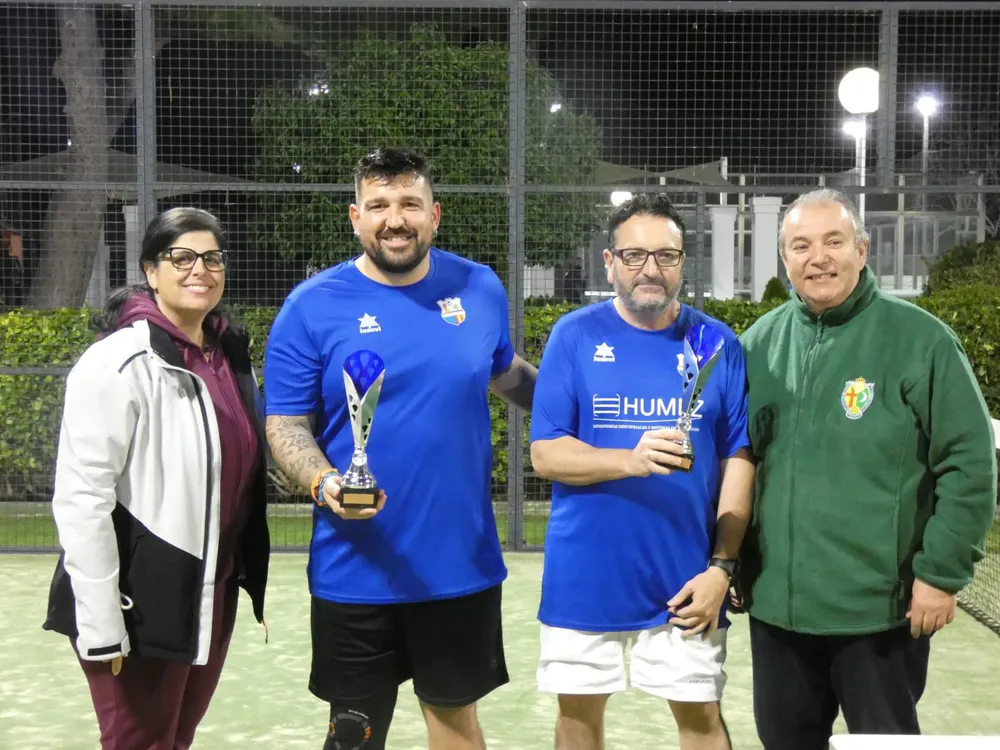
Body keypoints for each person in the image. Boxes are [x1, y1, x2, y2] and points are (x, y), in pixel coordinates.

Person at [263, 147, 536, 750]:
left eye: (410, 203)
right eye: (379, 205)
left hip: (458, 563)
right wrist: (323, 483)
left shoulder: (479, 286)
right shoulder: (311, 306)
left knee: (456, 726)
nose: (396, 219)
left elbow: (504, 372)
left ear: (434, 214)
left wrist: (578, 413)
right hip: (354, 567)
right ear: (355, 218)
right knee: (354, 735)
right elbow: (285, 424)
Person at [737, 188, 998, 750]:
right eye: (801, 246)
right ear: (785, 261)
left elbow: (970, 463)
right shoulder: (755, 345)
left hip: (882, 614)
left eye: (834, 241)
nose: (819, 257)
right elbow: (735, 465)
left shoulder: (921, 340)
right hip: (777, 616)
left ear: (863, 248)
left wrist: (940, 574)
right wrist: (731, 563)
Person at [529, 192, 756, 750]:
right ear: (610, 262)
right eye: (633, 255)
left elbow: (739, 461)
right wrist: (630, 461)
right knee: (578, 719)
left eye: (666, 256)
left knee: (701, 719)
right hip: (586, 573)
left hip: (686, 578)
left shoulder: (718, 343)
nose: (650, 269)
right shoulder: (573, 335)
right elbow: (546, 454)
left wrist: (722, 568)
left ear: (683, 262)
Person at [42, 207, 272, 749]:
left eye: (212, 258)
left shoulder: (229, 355)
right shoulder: (117, 361)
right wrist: (101, 626)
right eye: (182, 257)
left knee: (175, 740)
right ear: (150, 270)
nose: (200, 270)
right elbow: (82, 499)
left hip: (210, 591)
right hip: (137, 603)